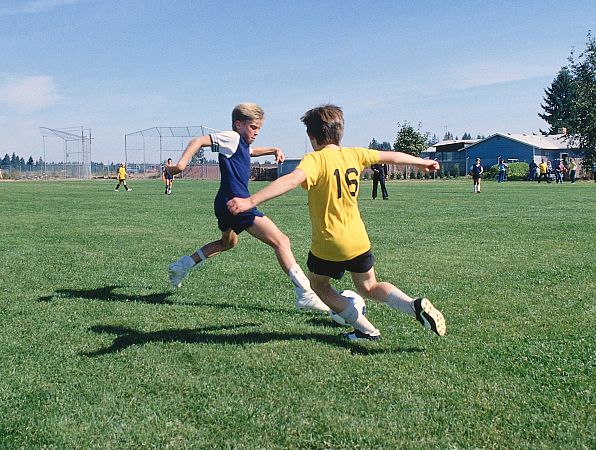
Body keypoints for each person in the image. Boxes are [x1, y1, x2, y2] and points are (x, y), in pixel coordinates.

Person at [227, 104, 446, 341]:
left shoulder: (315, 160)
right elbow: (391, 155)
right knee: (369, 286)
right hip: (358, 239)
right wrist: (422, 162)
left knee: (319, 286)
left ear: (311, 136)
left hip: (329, 243)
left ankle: (367, 330)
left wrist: (251, 200)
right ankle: (412, 305)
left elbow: (290, 181)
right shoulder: (355, 154)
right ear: (340, 132)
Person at [166, 103, 328, 314]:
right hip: (237, 203)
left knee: (228, 242)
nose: (256, 133)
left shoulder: (239, 143)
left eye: (259, 129)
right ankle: (305, 294)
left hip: (224, 203)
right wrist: (181, 165)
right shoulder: (231, 137)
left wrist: (273, 149)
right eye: (253, 128)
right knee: (281, 241)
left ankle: (183, 265)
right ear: (239, 124)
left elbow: (250, 152)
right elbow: (198, 140)